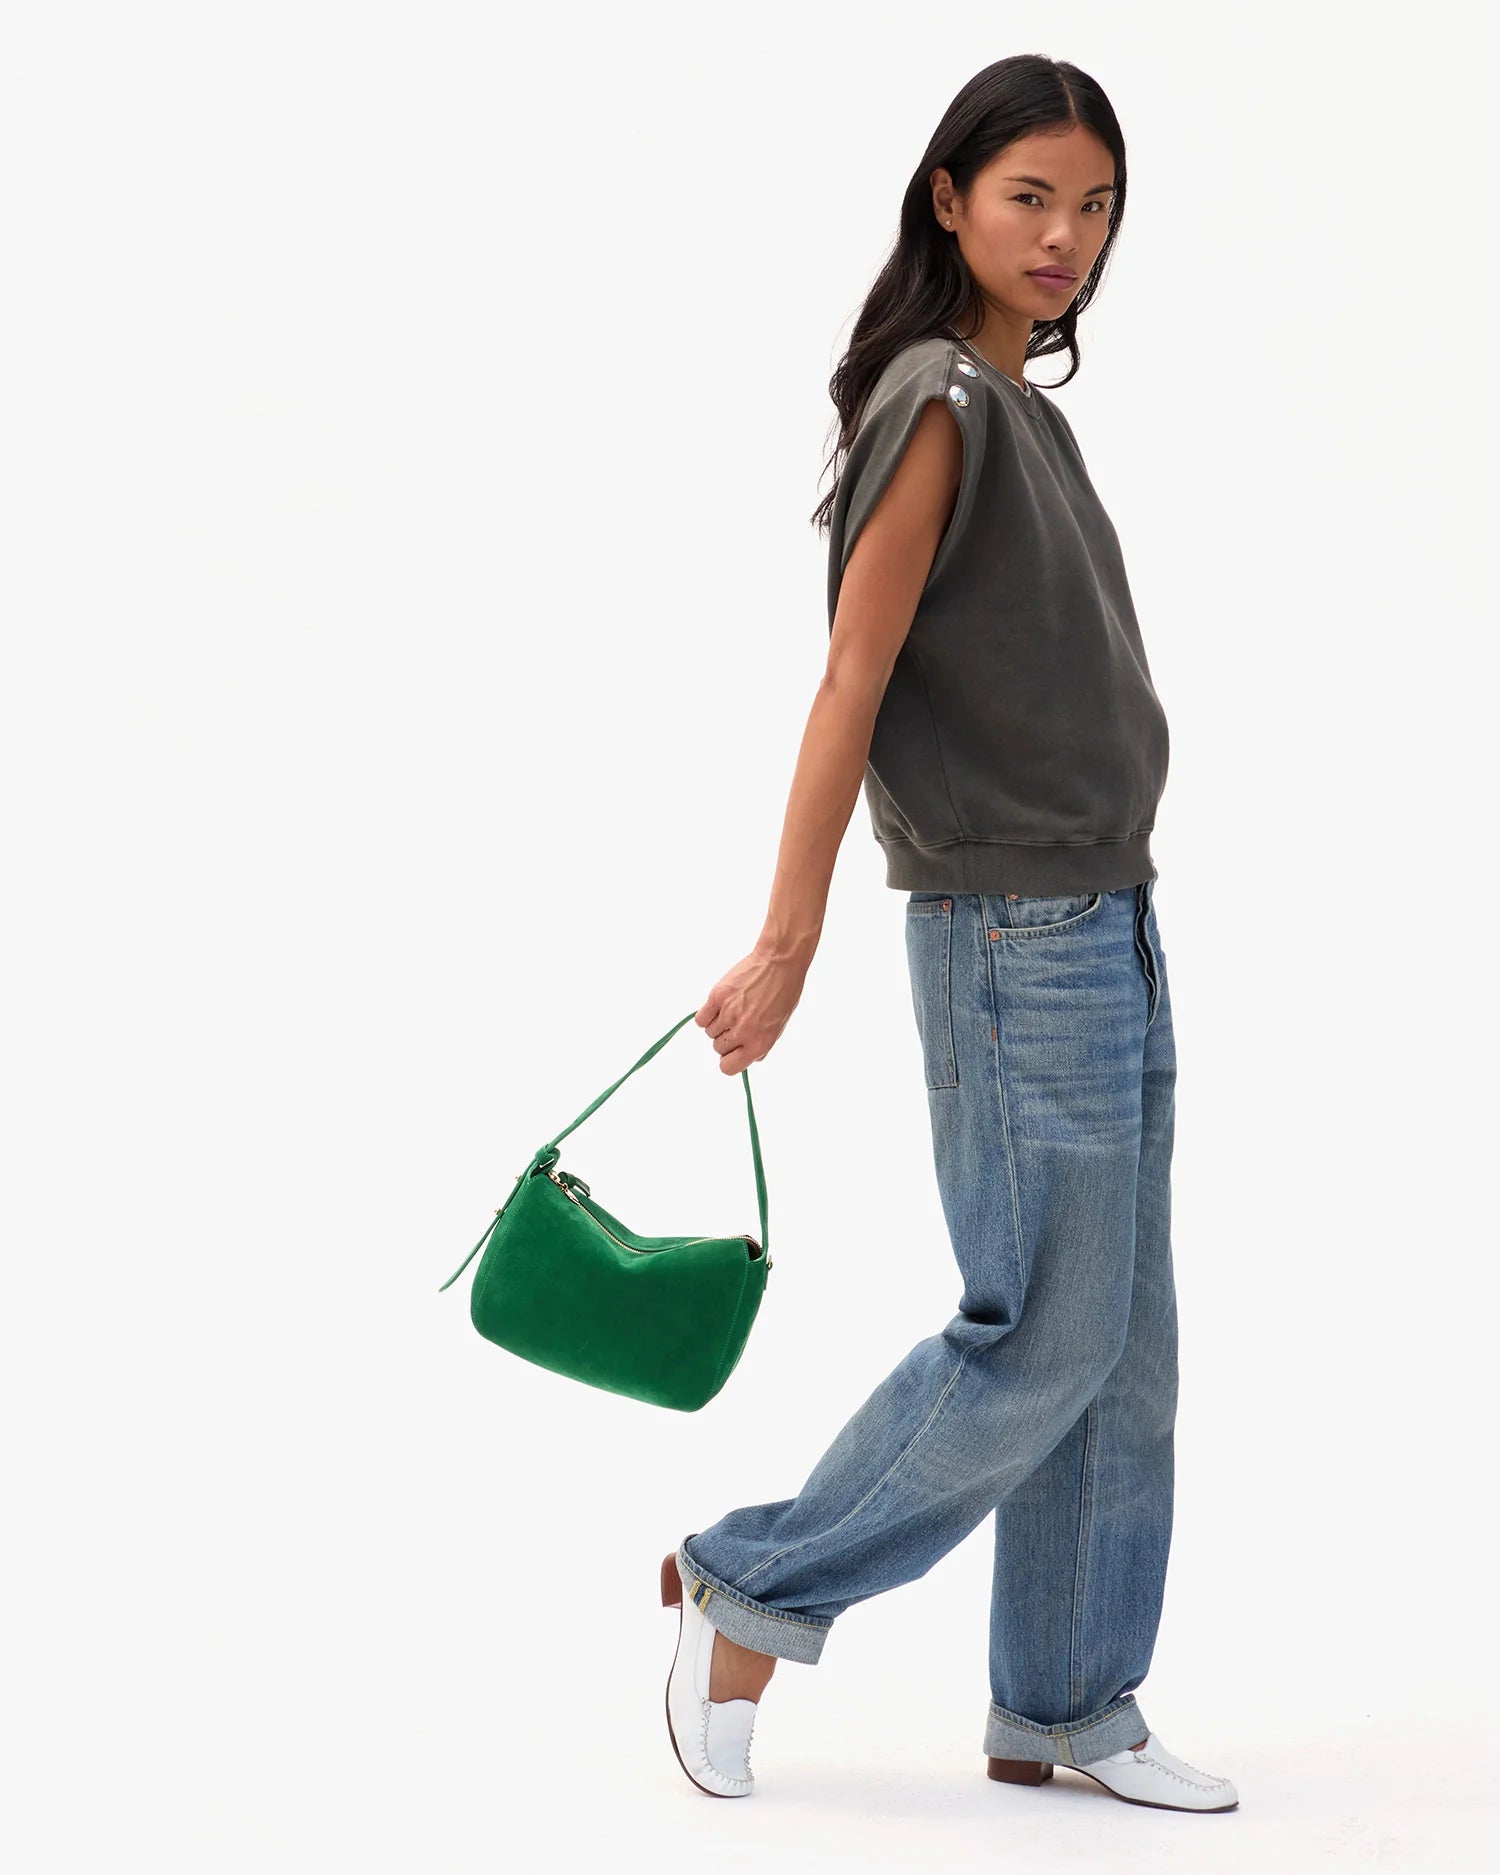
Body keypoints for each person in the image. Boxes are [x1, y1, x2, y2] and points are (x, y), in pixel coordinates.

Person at [661, 53, 1239, 1816]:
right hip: (1014, 932)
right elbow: (853, 672)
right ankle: (745, 1591)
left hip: (1104, 917)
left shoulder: (1017, 408)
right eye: (1030, 198)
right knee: (1041, 1335)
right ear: (950, 200)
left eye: (1095, 207)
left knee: (1117, 1353)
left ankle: (1066, 1700)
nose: (1066, 237)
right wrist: (787, 935)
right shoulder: (941, 400)